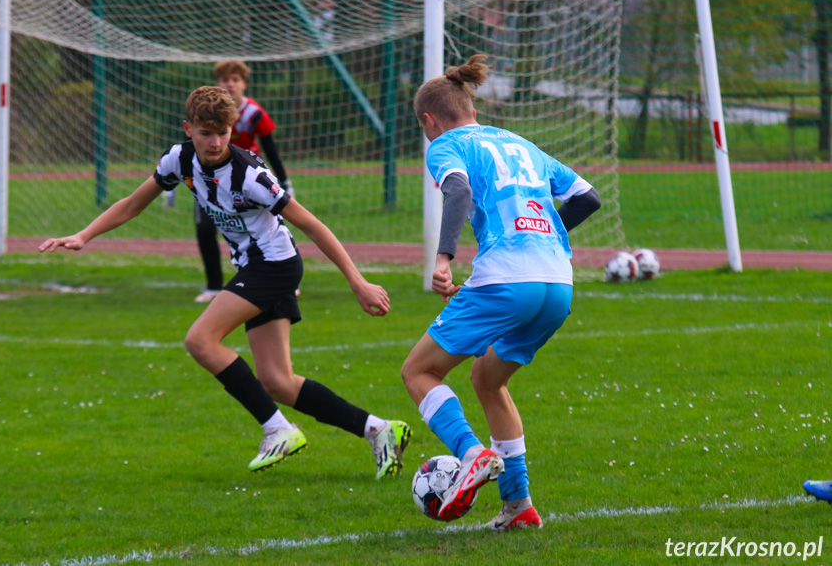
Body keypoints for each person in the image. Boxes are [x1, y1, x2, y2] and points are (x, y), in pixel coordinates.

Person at [40, 86, 411, 479]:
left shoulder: (250, 175)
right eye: (205, 133)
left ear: (233, 129)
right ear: (189, 129)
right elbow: (133, 203)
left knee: (200, 340)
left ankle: (278, 429)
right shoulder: (178, 159)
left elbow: (313, 225)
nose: (215, 142)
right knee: (278, 382)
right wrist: (84, 235)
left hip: (273, 267)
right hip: (255, 268)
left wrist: (357, 282)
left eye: (223, 132)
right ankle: (380, 430)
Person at [400, 54, 601, 530]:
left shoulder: (447, 144)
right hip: (558, 285)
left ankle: (472, 455)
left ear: (430, 120)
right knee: (488, 380)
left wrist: (444, 256)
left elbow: (458, 192)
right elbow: (587, 197)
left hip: (508, 279)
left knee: (419, 372)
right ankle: (519, 507)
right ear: (469, 105)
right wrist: (549, 236)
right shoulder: (521, 143)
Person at [191, 60, 294, 303]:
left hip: (248, 183)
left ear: (244, 84)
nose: (230, 84)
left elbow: (271, 150)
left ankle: (283, 277)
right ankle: (213, 286)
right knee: (205, 229)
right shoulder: (204, 115)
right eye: (225, 79)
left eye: (235, 79)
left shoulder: (254, 114)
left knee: (264, 228)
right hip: (211, 180)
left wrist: (285, 182)